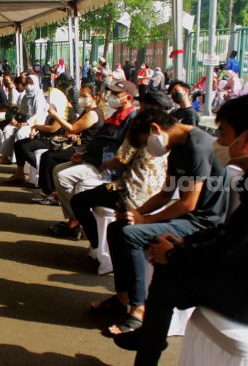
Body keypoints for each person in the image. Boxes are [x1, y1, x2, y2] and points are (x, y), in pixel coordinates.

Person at [114, 95, 248, 365]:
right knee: (169, 269)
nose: (219, 142)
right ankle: (151, 338)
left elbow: (230, 249)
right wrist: (181, 245)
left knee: (168, 276)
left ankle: (149, 345)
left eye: (224, 133)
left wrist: (174, 254)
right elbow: (234, 233)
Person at [95, 105, 228, 336]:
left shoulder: (197, 146)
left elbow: (188, 204)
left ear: (155, 128)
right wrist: (136, 214)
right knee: (118, 227)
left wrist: (145, 220)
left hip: (204, 222)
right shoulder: (177, 147)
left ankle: (139, 309)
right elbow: (166, 193)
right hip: (189, 216)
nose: (148, 149)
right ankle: (122, 296)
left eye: (146, 142)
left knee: (131, 234)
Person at [48, 80, 138, 238]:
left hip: (106, 168)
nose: (111, 97)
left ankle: (75, 221)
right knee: (57, 170)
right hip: (93, 159)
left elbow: (122, 152)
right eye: (111, 93)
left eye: (116, 94)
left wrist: (106, 164)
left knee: (63, 177)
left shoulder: (131, 120)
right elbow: (100, 140)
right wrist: (85, 155)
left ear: (129, 98)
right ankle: (74, 216)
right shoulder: (115, 115)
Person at [71, 109, 168, 250]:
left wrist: (105, 165)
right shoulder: (167, 139)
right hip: (156, 195)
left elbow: (120, 161)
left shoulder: (136, 133)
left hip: (129, 193)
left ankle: (97, 243)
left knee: (78, 201)